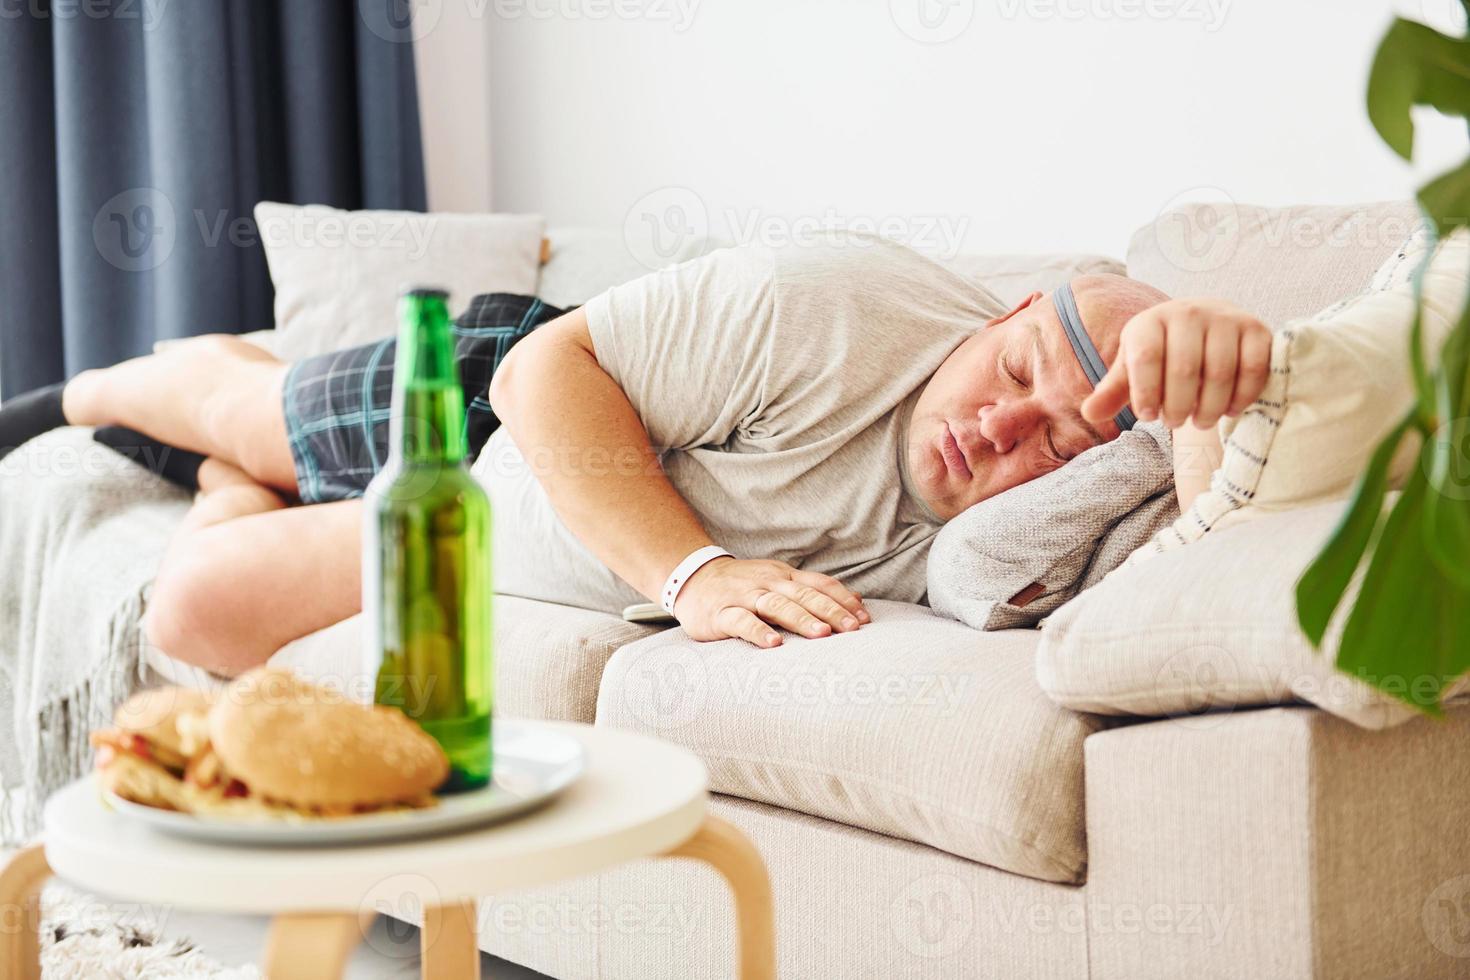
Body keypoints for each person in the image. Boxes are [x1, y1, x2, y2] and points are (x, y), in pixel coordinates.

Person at [0, 237, 1270, 674]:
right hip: (514, 403)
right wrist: (696, 574)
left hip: (500, 539)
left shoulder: (1016, 534)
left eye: (1055, 439)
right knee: (236, 412)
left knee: (194, 610)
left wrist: (1211, 397)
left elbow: (1199, 548)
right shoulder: (818, 305)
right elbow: (546, 374)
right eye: (1012, 376)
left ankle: (235, 490)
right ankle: (94, 387)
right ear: (991, 319)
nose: (1002, 428)